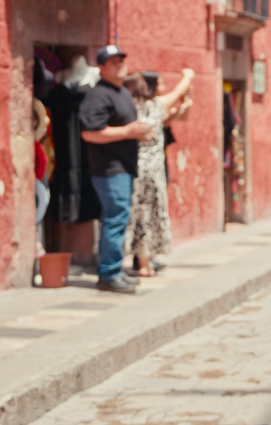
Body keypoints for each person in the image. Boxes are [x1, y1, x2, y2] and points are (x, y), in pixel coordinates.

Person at [79, 45, 155, 294]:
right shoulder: (99, 95)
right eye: (112, 62)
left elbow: (124, 128)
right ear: (101, 68)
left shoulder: (120, 92)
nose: (119, 64)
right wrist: (128, 132)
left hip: (124, 166)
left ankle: (115, 270)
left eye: (121, 60)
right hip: (109, 169)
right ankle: (109, 274)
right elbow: (89, 133)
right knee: (115, 217)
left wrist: (138, 134)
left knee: (120, 218)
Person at [122, 69, 194, 277]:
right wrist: (188, 75)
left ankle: (142, 260)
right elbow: (177, 95)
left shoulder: (136, 109)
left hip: (138, 170)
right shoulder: (152, 106)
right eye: (160, 83)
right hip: (150, 171)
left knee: (140, 216)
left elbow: (173, 118)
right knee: (146, 216)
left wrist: (185, 104)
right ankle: (143, 264)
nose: (163, 88)